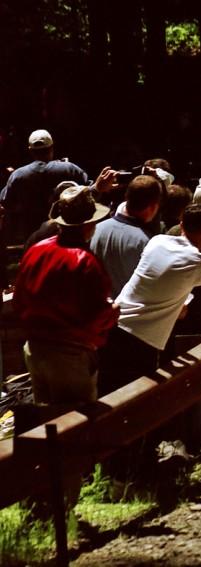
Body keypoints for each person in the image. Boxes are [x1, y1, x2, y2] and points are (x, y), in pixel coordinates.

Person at [98, 203, 201, 394]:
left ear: (181, 225)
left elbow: (164, 280)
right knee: (135, 406)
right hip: (140, 342)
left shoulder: (157, 241)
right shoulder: (198, 263)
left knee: (107, 397)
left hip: (113, 327)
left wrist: (179, 305)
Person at [13, 185, 117, 405]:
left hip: (34, 349)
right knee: (75, 428)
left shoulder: (37, 249)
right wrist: (112, 313)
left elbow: (19, 300)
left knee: (45, 424)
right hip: (69, 356)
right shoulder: (86, 262)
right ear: (89, 225)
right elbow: (95, 316)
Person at [0, 129, 88, 244]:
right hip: (65, 233)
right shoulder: (70, 169)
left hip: (33, 235)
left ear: (30, 150)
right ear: (52, 147)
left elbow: (6, 202)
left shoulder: (18, 175)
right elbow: (89, 191)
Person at [90, 175, 161, 298]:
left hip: (95, 310)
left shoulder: (95, 229)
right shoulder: (148, 243)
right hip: (127, 314)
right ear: (153, 206)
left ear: (126, 198)